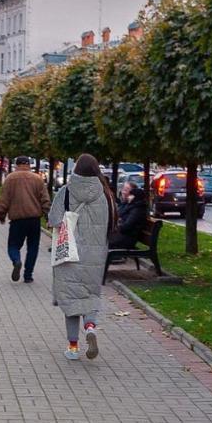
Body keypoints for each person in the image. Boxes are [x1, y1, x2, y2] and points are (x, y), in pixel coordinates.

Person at [47, 153, 117, 361]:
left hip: (70, 254)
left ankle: (73, 347)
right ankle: (90, 328)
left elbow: (53, 219)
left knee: (71, 301)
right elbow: (111, 225)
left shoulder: (66, 192)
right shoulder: (106, 195)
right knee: (90, 297)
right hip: (95, 257)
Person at [0, 156, 51, 284]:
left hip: (17, 220)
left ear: (17, 165)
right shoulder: (37, 179)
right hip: (34, 220)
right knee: (33, 247)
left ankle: (16, 260)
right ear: (29, 164)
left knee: (13, 245)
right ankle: (28, 275)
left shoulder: (10, 178)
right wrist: (48, 215)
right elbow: (45, 199)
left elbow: (4, 200)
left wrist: (1, 215)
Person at [109, 181, 148, 249]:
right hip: (121, 235)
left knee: (101, 241)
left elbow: (126, 226)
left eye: (127, 190)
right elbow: (117, 216)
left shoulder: (137, 208)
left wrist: (118, 223)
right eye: (123, 189)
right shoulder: (127, 204)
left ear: (134, 196)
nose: (123, 192)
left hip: (126, 239)